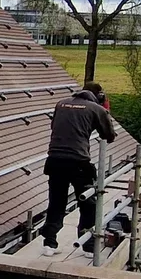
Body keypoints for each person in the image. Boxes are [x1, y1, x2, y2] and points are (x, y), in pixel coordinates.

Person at [40, 83, 117, 252]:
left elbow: (55, 127)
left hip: (54, 160)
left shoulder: (61, 104)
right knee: (88, 202)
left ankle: (49, 243)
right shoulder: (96, 109)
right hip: (78, 161)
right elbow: (109, 136)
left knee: (56, 202)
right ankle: (88, 245)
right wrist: (105, 110)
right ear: (99, 96)